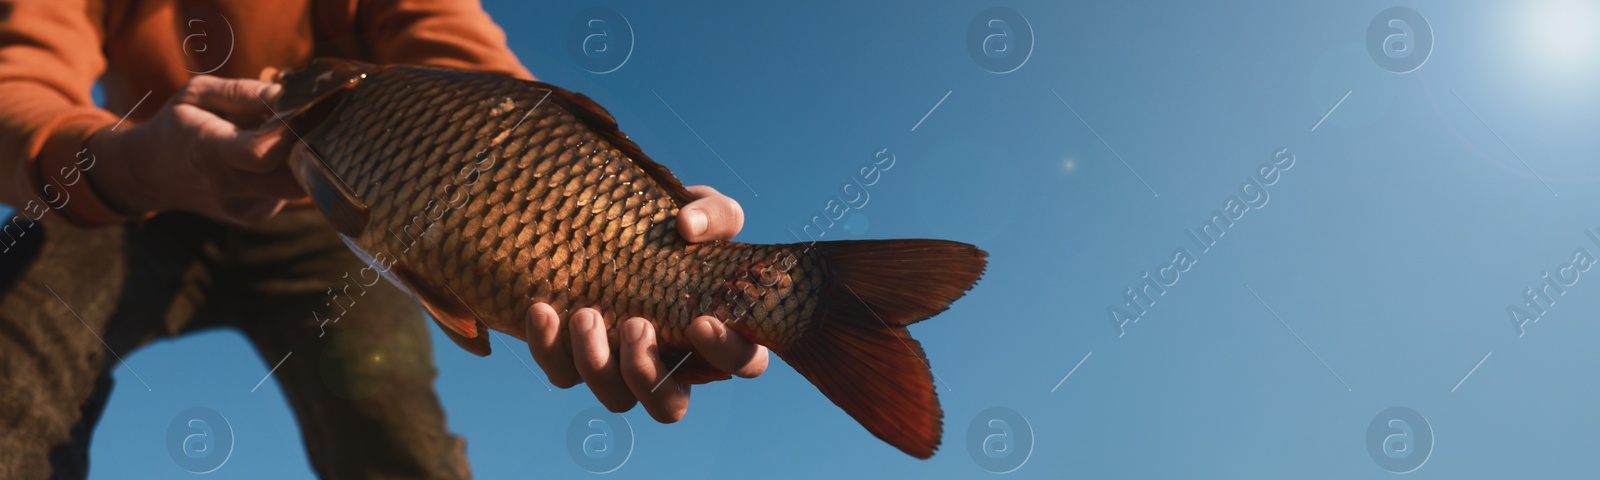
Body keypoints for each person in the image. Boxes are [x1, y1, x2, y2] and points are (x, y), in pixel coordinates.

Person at [0, 1, 767, 478]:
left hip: (341, 226)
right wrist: (132, 166)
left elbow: (468, 67)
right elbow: (19, 87)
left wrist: (618, 209)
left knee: (390, 428)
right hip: (132, 189)